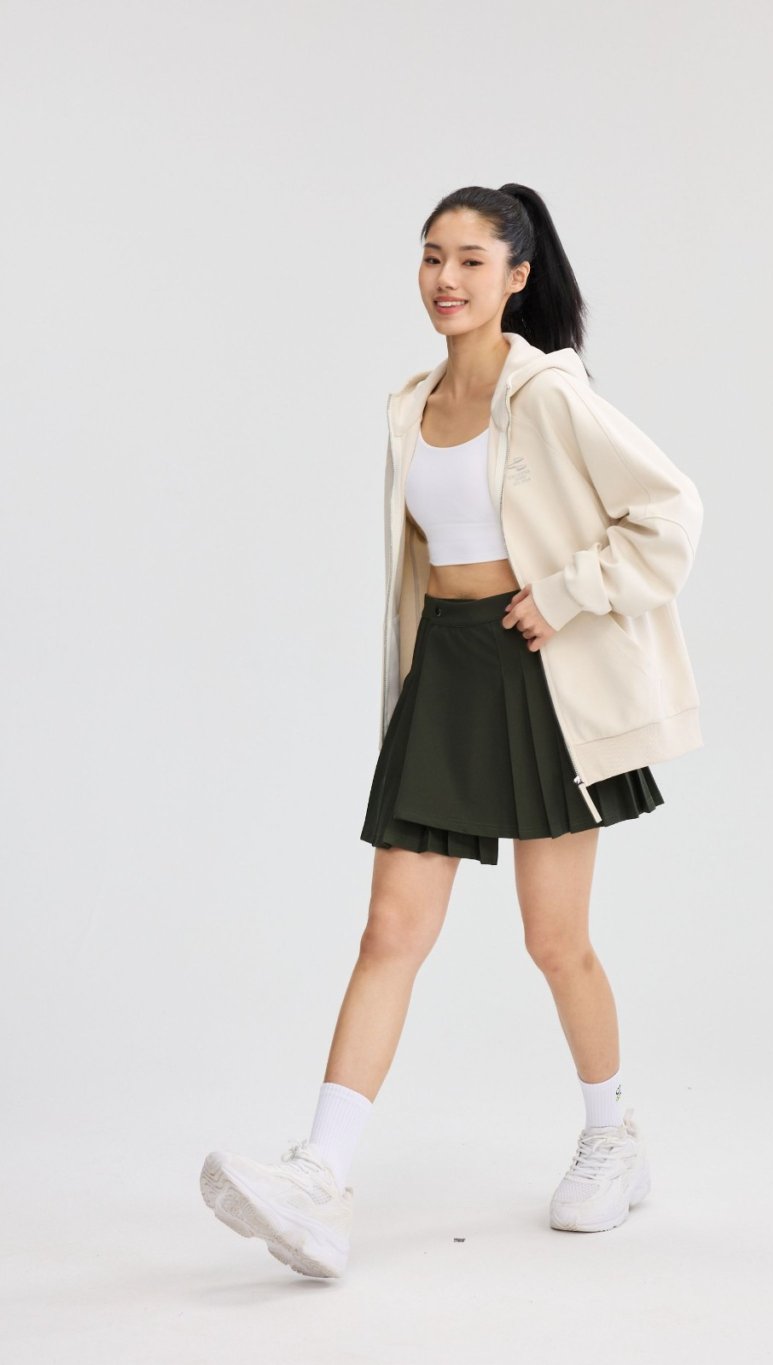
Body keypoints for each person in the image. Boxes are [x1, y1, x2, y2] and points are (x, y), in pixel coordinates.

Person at [200, 183, 704, 1280]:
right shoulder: (410, 403)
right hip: (446, 675)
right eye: (433, 256)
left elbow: (670, 510)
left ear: (516, 276)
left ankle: (613, 1138)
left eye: (472, 260)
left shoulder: (549, 392)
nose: (446, 279)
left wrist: (566, 593)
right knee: (389, 929)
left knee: (554, 940)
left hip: (542, 680)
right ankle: (321, 1179)